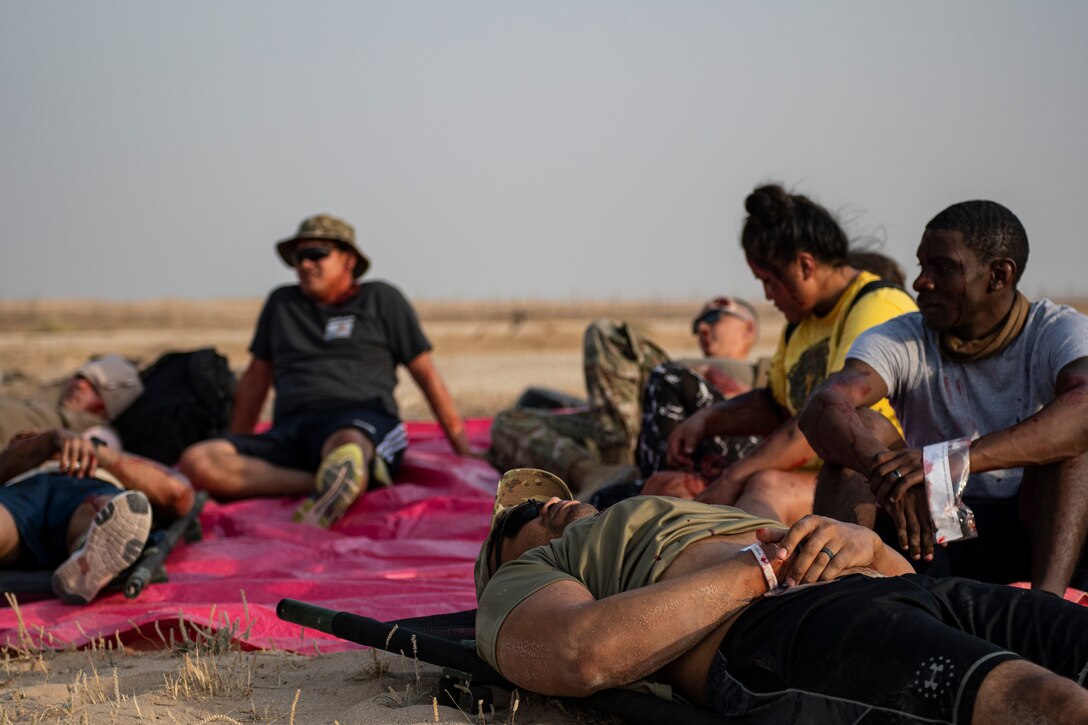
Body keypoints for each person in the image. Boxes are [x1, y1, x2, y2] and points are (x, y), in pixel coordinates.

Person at [475, 468, 1088, 724]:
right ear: (504, 561)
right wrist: (759, 570)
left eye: (543, 493)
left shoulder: (679, 514)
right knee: (1043, 701)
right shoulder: (532, 573)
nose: (543, 503)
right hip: (783, 626)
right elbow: (581, 653)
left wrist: (863, 545)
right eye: (519, 515)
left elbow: (905, 584)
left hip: (893, 589)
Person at [799, 200, 1088, 595]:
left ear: (999, 275)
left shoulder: (1056, 331)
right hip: (934, 526)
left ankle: (1045, 609)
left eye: (943, 268)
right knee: (858, 432)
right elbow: (823, 404)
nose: (921, 282)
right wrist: (888, 470)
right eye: (921, 266)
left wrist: (947, 463)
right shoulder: (900, 337)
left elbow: (1083, 410)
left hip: (1035, 527)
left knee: (1074, 444)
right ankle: (829, 603)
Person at [179, 214, 474, 527]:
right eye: (298, 257)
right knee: (198, 461)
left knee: (347, 445)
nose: (304, 265)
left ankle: (343, 474)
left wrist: (463, 448)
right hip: (292, 429)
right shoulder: (282, 304)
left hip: (361, 419)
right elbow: (255, 381)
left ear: (348, 260)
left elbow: (426, 374)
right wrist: (239, 446)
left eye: (316, 254)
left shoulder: (381, 299)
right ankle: (328, 482)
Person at [663, 185, 917, 524]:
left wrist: (731, 481)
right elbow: (776, 404)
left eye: (770, 281)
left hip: (877, 482)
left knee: (766, 485)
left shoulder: (877, 307)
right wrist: (707, 420)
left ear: (805, 265)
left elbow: (826, 417)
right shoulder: (801, 323)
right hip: (815, 477)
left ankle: (743, 570)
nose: (767, 295)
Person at [487, 296, 762, 494]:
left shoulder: (760, 370)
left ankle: (615, 474)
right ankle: (597, 473)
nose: (702, 327)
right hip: (637, 423)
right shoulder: (675, 370)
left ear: (748, 328)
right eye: (697, 323)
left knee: (606, 333)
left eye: (714, 317)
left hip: (695, 435)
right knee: (508, 422)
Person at [0, 426, 193, 604]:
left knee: (110, 508)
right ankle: (88, 554)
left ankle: (88, 553)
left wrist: (92, 448)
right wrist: (45, 442)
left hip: (88, 491)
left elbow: (178, 494)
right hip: (24, 491)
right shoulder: (39, 448)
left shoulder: (109, 461)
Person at [0, 354, 143, 447]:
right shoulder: (45, 403)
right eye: (80, 377)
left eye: (93, 386)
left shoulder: (97, 431)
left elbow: (100, 452)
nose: (79, 385)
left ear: (109, 405)